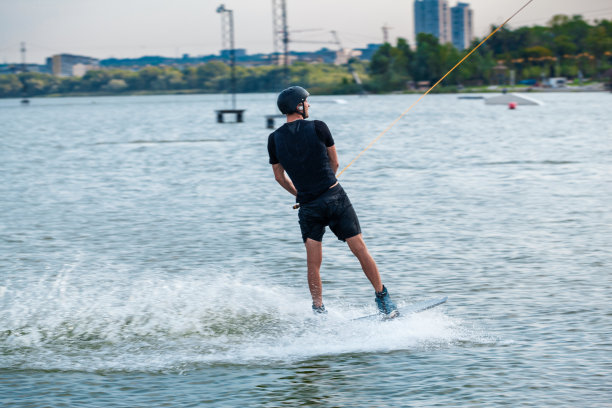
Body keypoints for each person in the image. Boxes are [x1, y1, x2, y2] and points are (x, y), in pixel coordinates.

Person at [267, 85, 399, 318]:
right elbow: (334, 163)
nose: (308, 105)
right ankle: (383, 299)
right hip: (335, 197)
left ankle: (318, 309)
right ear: (298, 105)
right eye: (306, 102)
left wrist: (299, 194)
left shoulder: (274, 138)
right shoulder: (319, 127)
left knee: (313, 262)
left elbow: (279, 177)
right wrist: (325, 183)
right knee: (359, 249)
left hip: (308, 206)